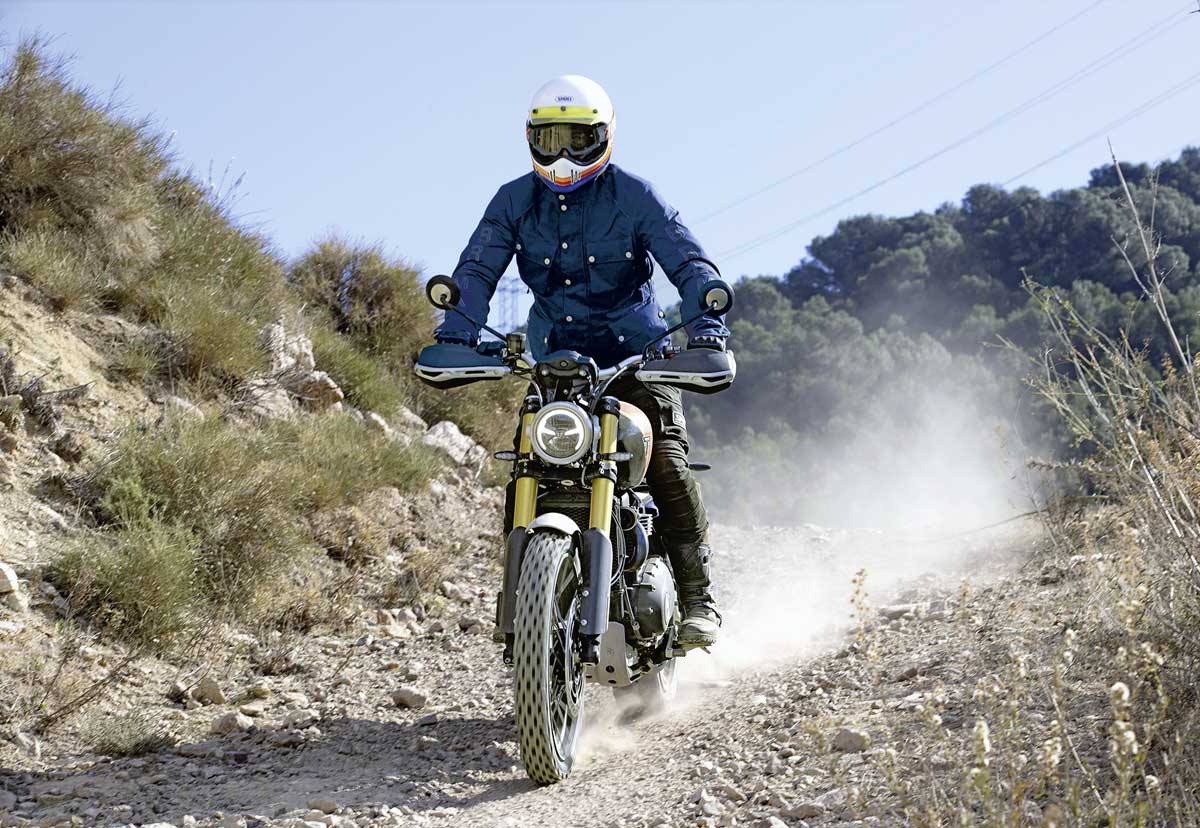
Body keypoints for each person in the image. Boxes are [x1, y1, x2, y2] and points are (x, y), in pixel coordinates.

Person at [433, 75, 729, 648]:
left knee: (665, 460)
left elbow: (690, 265)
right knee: (528, 467)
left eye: (578, 138)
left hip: (636, 362)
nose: (564, 154)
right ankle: (528, 606)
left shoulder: (637, 196)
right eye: (550, 140)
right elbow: (474, 273)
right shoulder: (513, 201)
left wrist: (706, 329)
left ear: (606, 136)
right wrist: (455, 332)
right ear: (530, 139)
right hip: (556, 365)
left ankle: (698, 599)